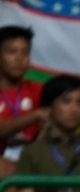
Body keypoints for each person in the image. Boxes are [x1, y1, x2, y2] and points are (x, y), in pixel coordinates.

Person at [0, 26, 43, 173]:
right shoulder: (37, 112)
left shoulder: (39, 90)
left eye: (25, 52)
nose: (19, 58)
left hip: (31, 161)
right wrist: (36, 115)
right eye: (12, 52)